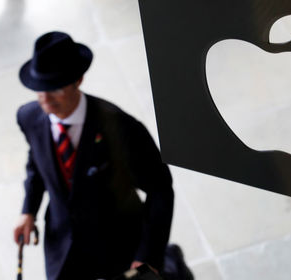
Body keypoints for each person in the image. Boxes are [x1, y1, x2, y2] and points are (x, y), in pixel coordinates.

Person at [13, 31, 175, 280]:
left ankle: (173, 263)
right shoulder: (29, 117)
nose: (45, 100)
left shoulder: (122, 129)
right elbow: (37, 164)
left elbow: (161, 189)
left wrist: (149, 256)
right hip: (63, 248)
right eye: (40, 89)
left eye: (54, 88)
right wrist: (29, 211)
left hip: (119, 244)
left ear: (78, 80)